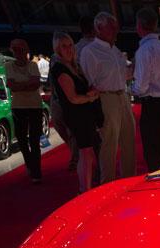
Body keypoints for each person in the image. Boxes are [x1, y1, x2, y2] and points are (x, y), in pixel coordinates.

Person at [80, 12, 136, 183]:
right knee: (109, 144)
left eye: (116, 28)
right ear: (98, 28)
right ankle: (108, 183)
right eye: (112, 28)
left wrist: (133, 68)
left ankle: (128, 181)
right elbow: (88, 82)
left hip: (122, 96)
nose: (116, 31)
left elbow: (122, 75)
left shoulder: (115, 50)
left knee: (129, 140)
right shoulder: (90, 52)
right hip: (106, 98)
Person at [50, 32, 101, 193]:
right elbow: (72, 98)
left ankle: (86, 187)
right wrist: (90, 97)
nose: (68, 49)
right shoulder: (60, 69)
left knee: (87, 152)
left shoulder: (72, 66)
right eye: (64, 46)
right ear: (57, 49)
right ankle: (84, 189)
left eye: (70, 45)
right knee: (85, 152)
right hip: (77, 116)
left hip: (84, 114)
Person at [131, 7, 160, 172]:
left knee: (152, 149)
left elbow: (141, 86)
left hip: (152, 105)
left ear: (139, 26)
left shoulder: (144, 50)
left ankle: (156, 187)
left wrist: (131, 89)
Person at [4, 39, 43, 183]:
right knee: (21, 139)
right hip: (18, 106)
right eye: (15, 49)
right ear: (12, 50)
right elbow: (12, 86)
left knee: (34, 138)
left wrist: (20, 85)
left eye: (21, 49)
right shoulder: (8, 66)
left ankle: (36, 173)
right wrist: (27, 83)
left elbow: (35, 84)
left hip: (35, 106)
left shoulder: (33, 65)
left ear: (26, 50)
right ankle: (31, 165)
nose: (19, 52)